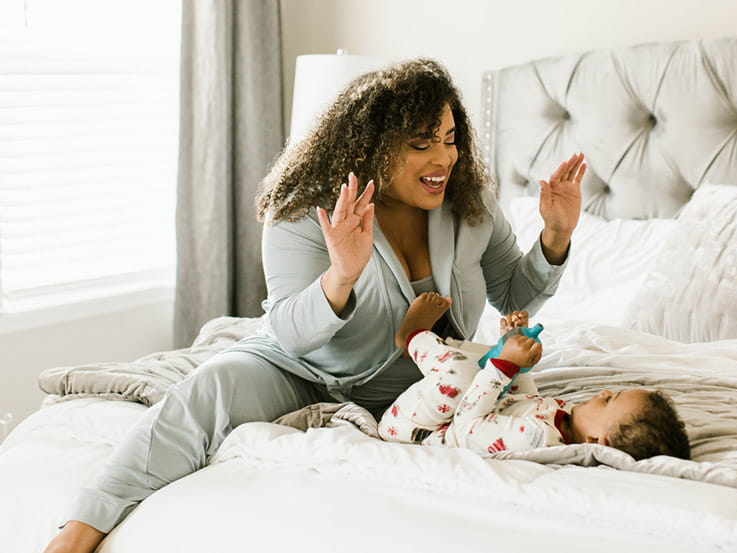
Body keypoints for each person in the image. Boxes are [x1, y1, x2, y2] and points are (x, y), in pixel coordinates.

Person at [44, 58, 586, 553]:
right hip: (300, 368)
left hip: (416, 388)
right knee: (208, 388)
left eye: (449, 139)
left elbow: (515, 297)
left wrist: (555, 236)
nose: (444, 157)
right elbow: (292, 334)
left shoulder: (471, 205)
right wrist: (340, 276)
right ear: (373, 146)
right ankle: (84, 524)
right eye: (422, 143)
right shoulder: (302, 208)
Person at [379, 292, 691, 460]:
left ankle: (412, 337)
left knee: (461, 374)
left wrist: (505, 366)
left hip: (414, 428)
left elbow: (467, 423)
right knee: (479, 367)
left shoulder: (537, 440)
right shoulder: (567, 419)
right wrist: (516, 355)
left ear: (597, 440)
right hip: (445, 415)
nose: (602, 392)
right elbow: (520, 399)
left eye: (609, 400)